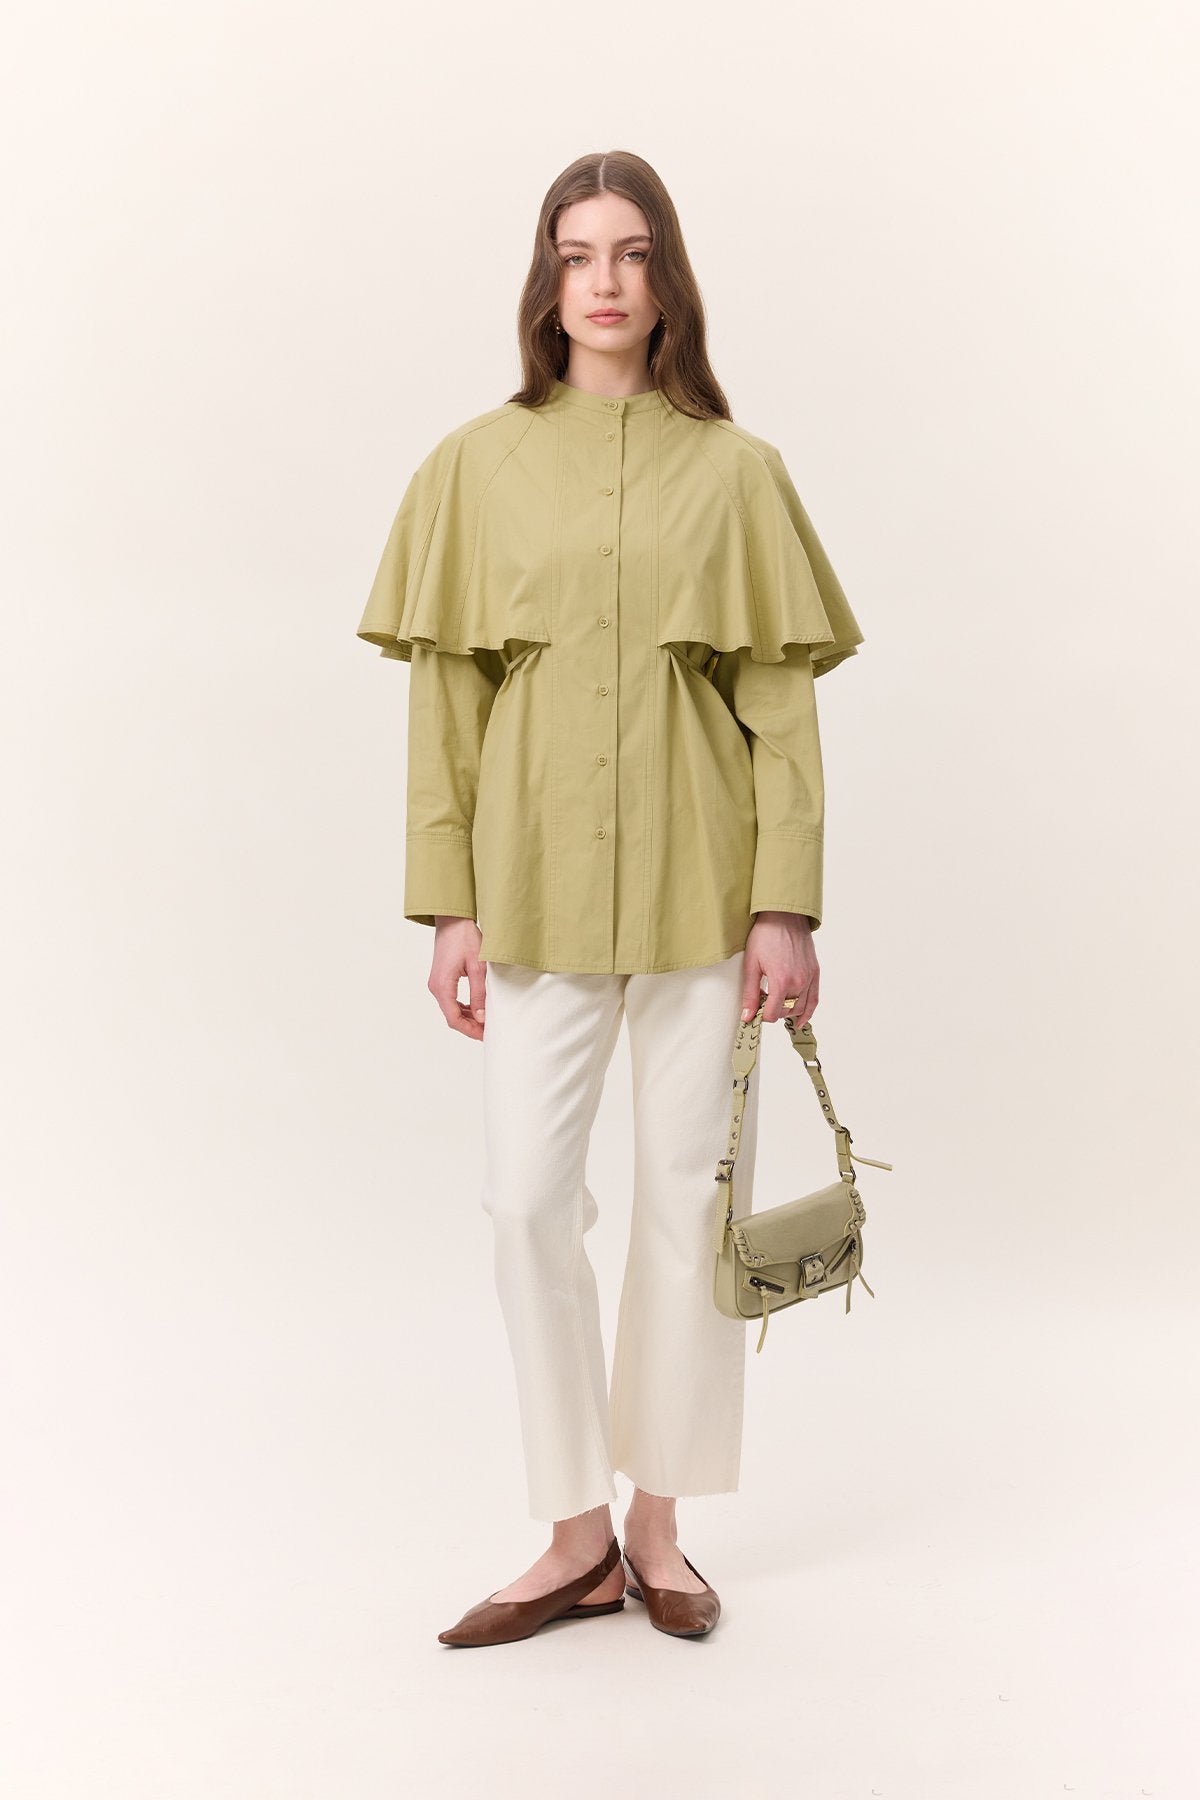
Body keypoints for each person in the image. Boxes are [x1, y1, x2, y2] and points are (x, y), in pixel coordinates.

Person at [356, 150, 864, 1646]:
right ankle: (572, 1532)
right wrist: (449, 907)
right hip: (530, 893)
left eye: (631, 252)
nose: (604, 281)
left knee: (688, 1207)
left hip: (708, 894)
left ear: (666, 277)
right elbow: (446, 710)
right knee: (526, 1202)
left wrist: (785, 906)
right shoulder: (472, 467)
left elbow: (782, 713)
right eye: (577, 254)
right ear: (546, 279)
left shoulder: (739, 472)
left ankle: (657, 1526)